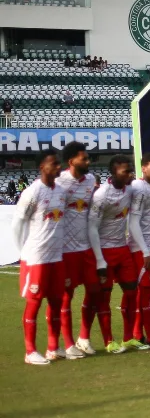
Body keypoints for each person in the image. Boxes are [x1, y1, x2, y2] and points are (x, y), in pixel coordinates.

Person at [12, 150, 65, 365]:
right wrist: (22, 252)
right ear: (42, 167)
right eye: (54, 164)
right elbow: (17, 223)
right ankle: (30, 351)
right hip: (36, 258)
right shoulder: (32, 192)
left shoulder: (61, 191)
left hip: (56, 256)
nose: (59, 167)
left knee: (56, 301)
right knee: (34, 303)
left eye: (59, 163)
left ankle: (53, 347)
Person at [88, 155, 140, 354]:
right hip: (105, 251)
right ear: (113, 172)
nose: (129, 174)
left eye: (130, 171)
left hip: (123, 247)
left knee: (131, 292)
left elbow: (146, 187)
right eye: (125, 171)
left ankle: (128, 338)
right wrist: (99, 259)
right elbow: (92, 227)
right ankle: (109, 341)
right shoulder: (102, 195)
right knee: (104, 298)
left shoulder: (130, 189)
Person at [120, 153, 150, 350]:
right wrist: (145, 251)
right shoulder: (139, 188)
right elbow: (133, 222)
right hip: (143, 250)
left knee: (144, 295)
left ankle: (138, 335)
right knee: (144, 295)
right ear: (144, 168)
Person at [55, 142, 95, 358]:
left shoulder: (90, 180)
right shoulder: (59, 182)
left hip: (87, 246)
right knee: (65, 297)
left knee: (94, 291)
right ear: (71, 161)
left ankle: (83, 337)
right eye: (84, 158)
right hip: (66, 249)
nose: (88, 161)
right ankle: (68, 342)